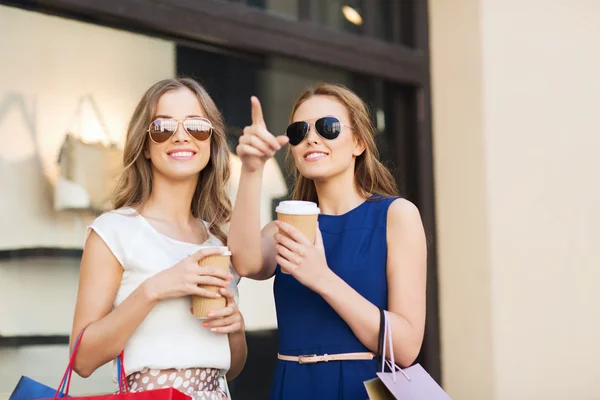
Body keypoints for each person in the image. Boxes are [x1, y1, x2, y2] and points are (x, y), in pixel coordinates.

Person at [228, 83, 427, 399]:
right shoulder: (286, 227)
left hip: (365, 389)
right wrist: (252, 170)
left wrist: (322, 279)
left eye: (328, 127)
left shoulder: (395, 216)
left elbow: (406, 347)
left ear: (358, 142)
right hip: (292, 387)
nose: (311, 138)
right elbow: (244, 262)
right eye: (299, 131)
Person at [70, 78, 246, 400]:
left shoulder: (216, 240)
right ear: (146, 146)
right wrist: (154, 289)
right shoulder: (114, 231)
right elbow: (81, 360)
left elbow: (231, 367)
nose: (181, 135)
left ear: (210, 141)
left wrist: (236, 328)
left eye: (196, 125)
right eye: (163, 127)